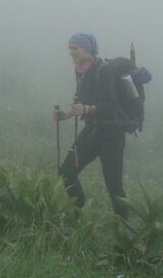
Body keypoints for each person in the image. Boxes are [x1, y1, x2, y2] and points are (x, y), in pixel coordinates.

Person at [52, 32, 140, 217]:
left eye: (75, 48)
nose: (71, 53)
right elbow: (80, 101)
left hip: (112, 135)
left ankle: (125, 232)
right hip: (92, 131)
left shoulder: (104, 71)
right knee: (67, 170)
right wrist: (65, 115)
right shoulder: (80, 69)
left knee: (114, 186)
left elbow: (111, 105)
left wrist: (86, 109)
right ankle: (80, 215)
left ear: (87, 49)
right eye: (69, 48)